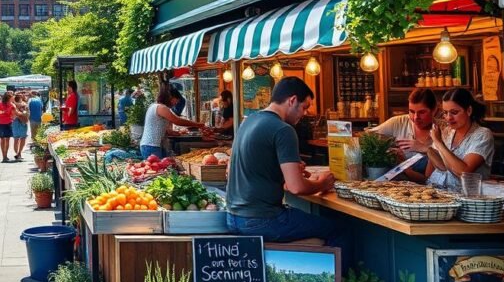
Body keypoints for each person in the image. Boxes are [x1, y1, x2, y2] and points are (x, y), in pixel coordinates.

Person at [224, 77, 343, 248]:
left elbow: (236, 169)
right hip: (262, 220)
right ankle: (345, 275)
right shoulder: (283, 130)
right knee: (339, 230)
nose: (304, 114)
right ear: (292, 100)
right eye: (304, 107)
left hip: (232, 218)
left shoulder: (248, 121)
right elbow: (296, 187)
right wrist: (322, 183)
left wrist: (288, 171)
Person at [426, 88, 494, 190]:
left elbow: (464, 172)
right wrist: (429, 149)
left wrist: (439, 143)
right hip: (435, 192)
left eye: (454, 112)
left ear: (469, 110)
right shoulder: (446, 132)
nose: (448, 118)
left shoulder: (482, 135)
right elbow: (436, 169)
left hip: (465, 198)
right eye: (445, 112)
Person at [369, 88, 437, 181]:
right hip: (395, 184)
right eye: (411, 111)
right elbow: (367, 137)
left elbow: (431, 178)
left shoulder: (444, 131)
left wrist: (424, 148)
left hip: (426, 186)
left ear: (434, 110)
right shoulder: (398, 122)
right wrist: (387, 148)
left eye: (421, 112)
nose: (416, 117)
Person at [140, 83, 212, 159]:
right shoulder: (161, 107)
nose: (175, 104)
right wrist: (198, 124)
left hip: (153, 145)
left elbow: (162, 127)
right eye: (176, 101)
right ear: (170, 97)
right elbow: (177, 120)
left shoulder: (156, 106)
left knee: (163, 168)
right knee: (158, 169)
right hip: (151, 146)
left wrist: (172, 132)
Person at [0, 92, 16, 163]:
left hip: (1, 123)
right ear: (8, 98)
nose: (12, 99)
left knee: (3, 140)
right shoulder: (11, 105)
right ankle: (5, 156)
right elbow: (13, 115)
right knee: (6, 140)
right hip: (7, 123)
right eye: (11, 98)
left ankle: (4, 156)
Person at [12, 93, 30, 161]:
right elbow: (27, 113)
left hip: (17, 121)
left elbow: (14, 114)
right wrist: (23, 114)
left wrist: (20, 114)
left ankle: (18, 154)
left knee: (17, 139)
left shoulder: (13, 105)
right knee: (21, 138)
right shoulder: (24, 104)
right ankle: (18, 153)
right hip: (21, 122)